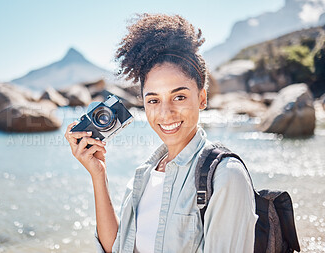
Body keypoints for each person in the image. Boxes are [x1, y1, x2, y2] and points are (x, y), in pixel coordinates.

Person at [64, 13, 258, 253]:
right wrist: (98, 175)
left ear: (202, 98)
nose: (165, 113)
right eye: (153, 100)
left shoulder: (226, 176)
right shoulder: (144, 175)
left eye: (179, 96)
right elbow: (117, 248)